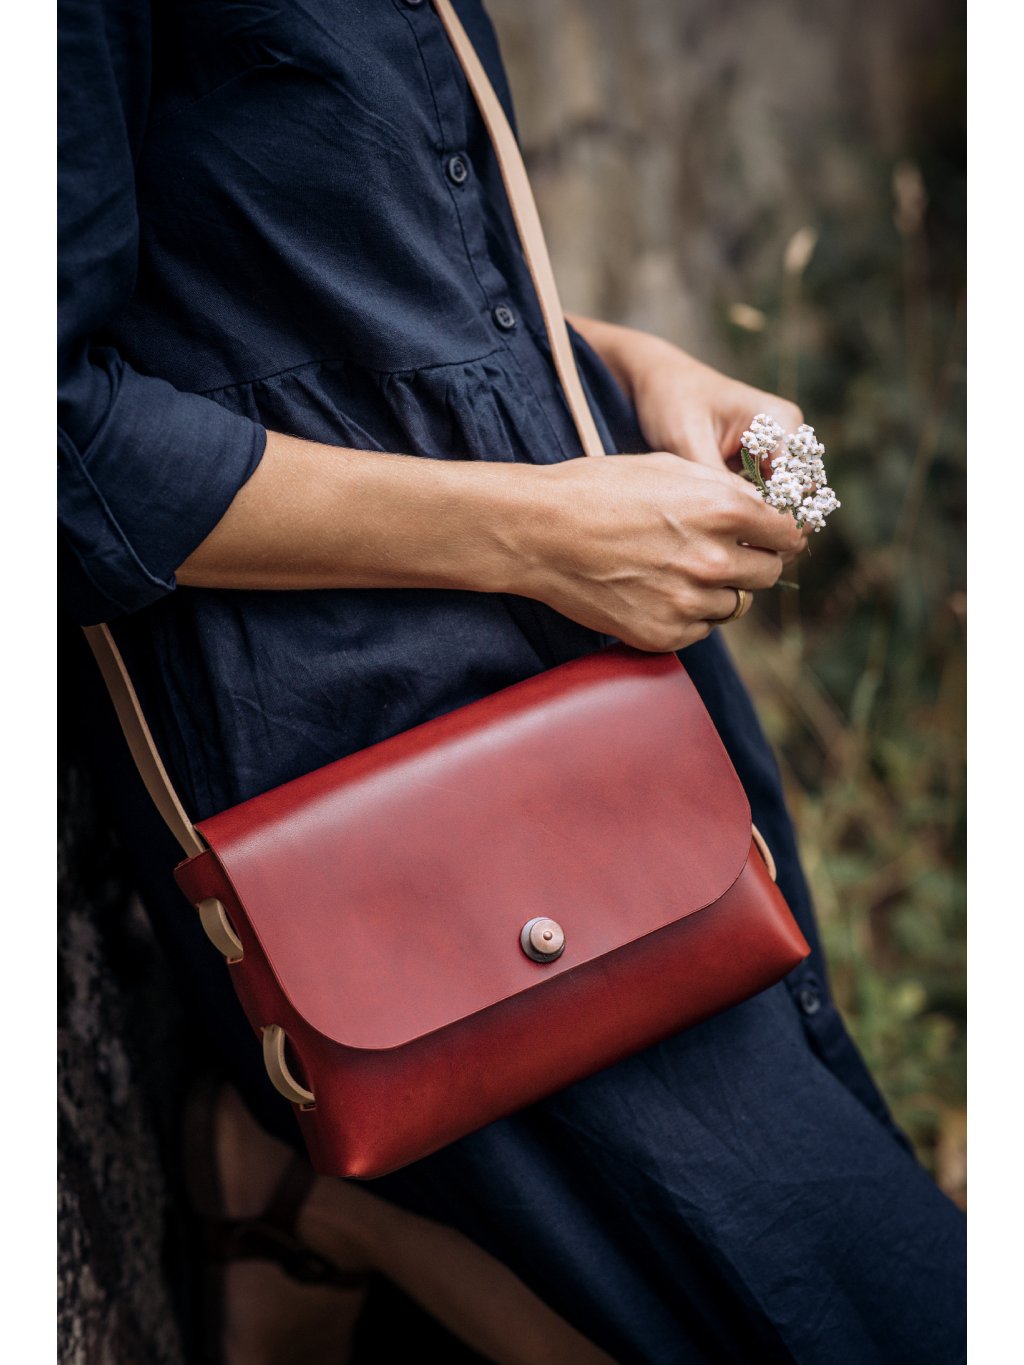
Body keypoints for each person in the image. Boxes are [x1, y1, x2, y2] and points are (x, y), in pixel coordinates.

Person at [58, 1, 966, 1361]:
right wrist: (542, 535)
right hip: (371, 782)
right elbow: (57, 437)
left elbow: (351, 285)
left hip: (592, 692)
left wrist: (634, 368)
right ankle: (321, 1195)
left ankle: (328, 1213)